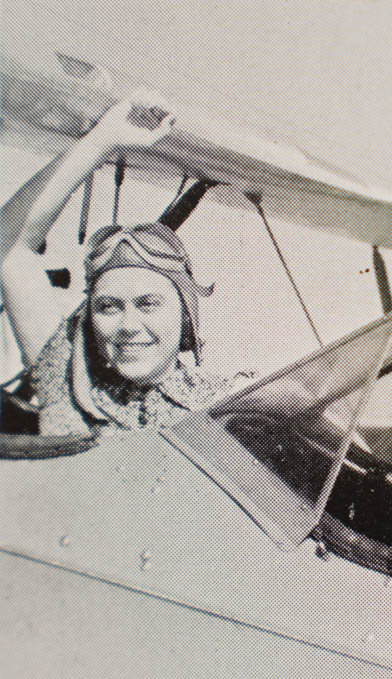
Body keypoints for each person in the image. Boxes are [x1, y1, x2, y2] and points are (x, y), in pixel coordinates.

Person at [1, 91, 239, 436]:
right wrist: (104, 140)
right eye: (108, 307)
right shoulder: (68, 382)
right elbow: (10, 248)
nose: (128, 325)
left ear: (186, 314)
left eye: (148, 304)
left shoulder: (224, 406)